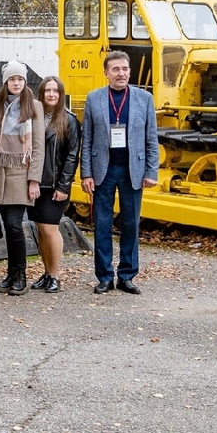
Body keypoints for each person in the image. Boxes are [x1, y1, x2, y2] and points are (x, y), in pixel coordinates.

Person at [81, 50, 159, 295]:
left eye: (124, 69)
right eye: (115, 69)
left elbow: (151, 139)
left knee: (130, 224)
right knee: (102, 225)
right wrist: (86, 173)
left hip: (132, 170)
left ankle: (127, 276)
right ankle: (104, 277)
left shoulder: (144, 99)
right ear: (106, 73)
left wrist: (151, 172)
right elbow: (87, 139)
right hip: (102, 170)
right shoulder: (94, 99)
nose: (121, 73)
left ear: (130, 71)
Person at [0, 60, 45, 296]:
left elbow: (38, 146)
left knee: (14, 225)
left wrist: (34, 180)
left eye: (20, 79)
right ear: (6, 82)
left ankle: (20, 274)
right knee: (7, 226)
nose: (17, 83)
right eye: (12, 79)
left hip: (22, 172)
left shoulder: (34, 106)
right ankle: (11, 274)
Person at [28, 76, 81, 293]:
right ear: (41, 93)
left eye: (55, 91)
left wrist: (63, 186)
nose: (51, 94)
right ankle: (46, 272)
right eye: (47, 90)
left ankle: (55, 274)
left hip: (55, 184)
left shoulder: (69, 120)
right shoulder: (34, 117)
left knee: (50, 229)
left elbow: (72, 156)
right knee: (40, 229)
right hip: (36, 183)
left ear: (60, 95)